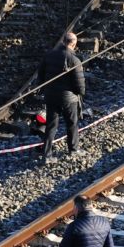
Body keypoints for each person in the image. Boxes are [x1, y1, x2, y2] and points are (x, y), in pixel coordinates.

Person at [37, 32, 86, 162]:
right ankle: (73, 150)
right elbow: (79, 83)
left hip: (51, 96)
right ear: (74, 44)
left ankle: (47, 155)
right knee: (71, 123)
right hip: (68, 98)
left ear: (63, 41)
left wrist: (44, 89)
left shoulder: (49, 55)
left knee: (51, 126)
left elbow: (40, 75)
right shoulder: (74, 60)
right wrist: (80, 93)